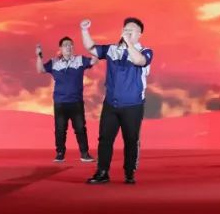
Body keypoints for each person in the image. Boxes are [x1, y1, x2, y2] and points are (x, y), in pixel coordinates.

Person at [81, 18, 153, 185]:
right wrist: (84, 30)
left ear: (139, 34)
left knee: (131, 140)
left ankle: (129, 172)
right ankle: (102, 172)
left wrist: (128, 44)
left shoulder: (145, 51)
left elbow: (139, 61)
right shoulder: (112, 49)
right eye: (125, 29)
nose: (128, 32)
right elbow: (91, 48)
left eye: (132, 30)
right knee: (105, 139)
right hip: (111, 104)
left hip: (133, 105)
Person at [36, 36, 98, 163]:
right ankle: (60, 154)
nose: (68, 47)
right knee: (60, 129)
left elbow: (94, 61)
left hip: (76, 102)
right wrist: (39, 56)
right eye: (65, 45)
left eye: (70, 45)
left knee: (80, 128)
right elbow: (40, 70)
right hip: (60, 102)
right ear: (60, 48)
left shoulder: (80, 60)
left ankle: (84, 154)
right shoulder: (54, 62)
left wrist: (92, 48)